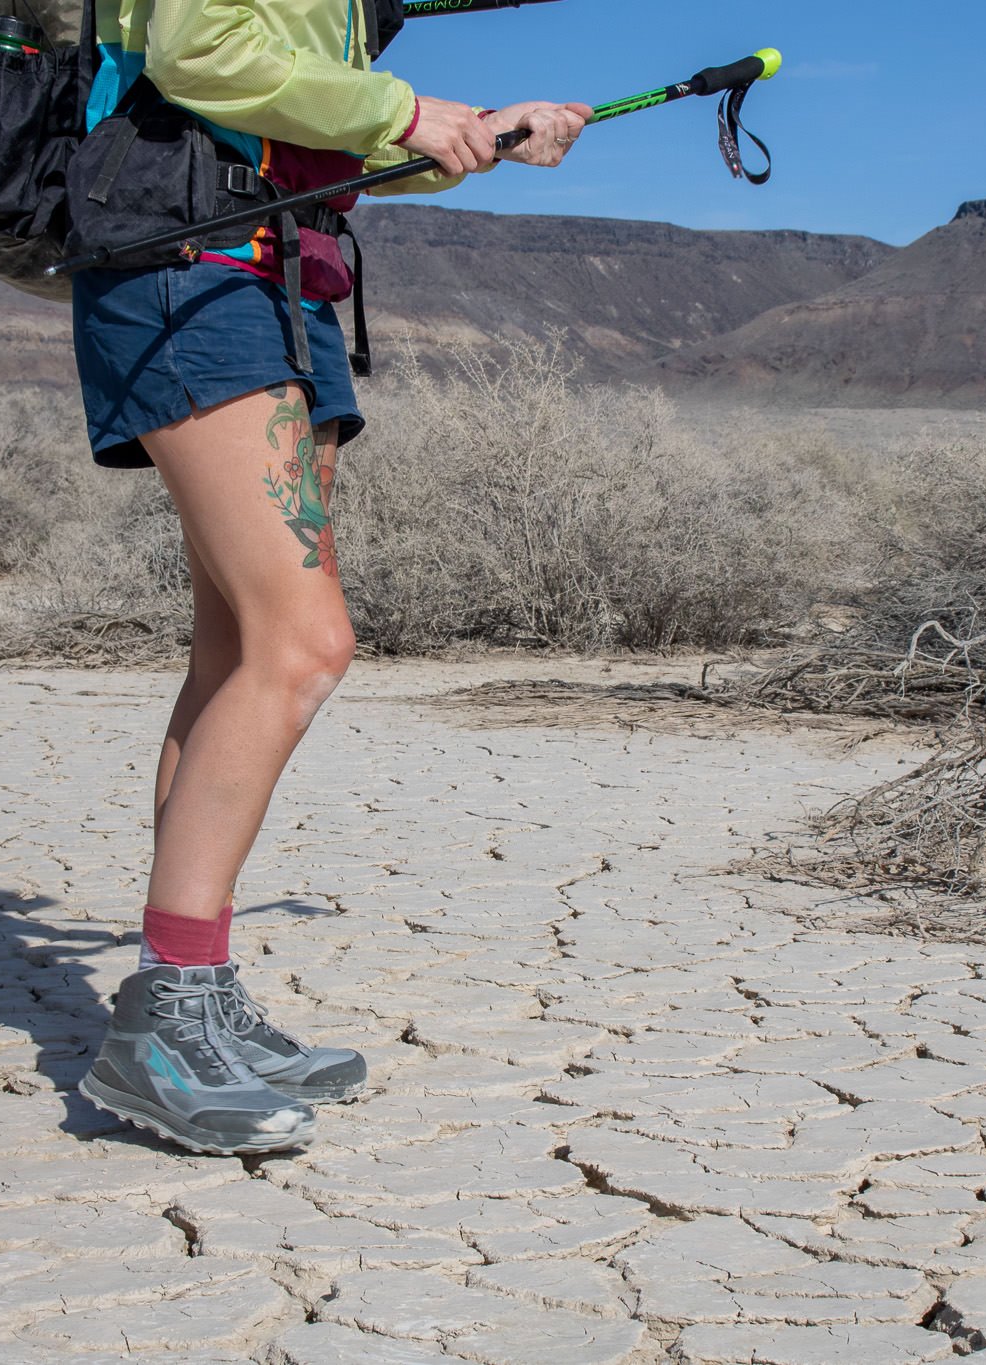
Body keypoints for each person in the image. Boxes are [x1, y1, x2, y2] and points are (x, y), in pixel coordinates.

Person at [68, 0, 590, 1155]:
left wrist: (467, 137)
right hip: (187, 279)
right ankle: (162, 1020)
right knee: (303, 646)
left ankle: (190, 995)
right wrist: (410, 107)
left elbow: (299, 126)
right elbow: (196, 57)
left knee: (240, 649)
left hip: (275, 285)